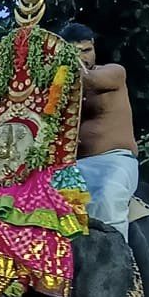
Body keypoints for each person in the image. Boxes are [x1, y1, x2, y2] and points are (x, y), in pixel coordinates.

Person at [60, 22, 139, 238]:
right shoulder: (58, 89)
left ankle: (121, 268)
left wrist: (62, 64)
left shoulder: (113, 72)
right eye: (74, 52)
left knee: (108, 198)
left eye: (86, 50)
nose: (83, 57)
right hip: (73, 167)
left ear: (94, 47)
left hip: (115, 161)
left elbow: (88, 79)